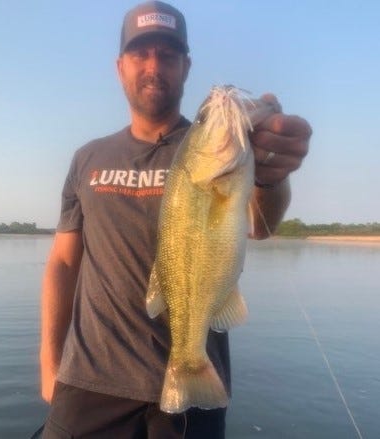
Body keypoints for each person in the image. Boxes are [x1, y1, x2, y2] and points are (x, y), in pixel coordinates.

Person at [40, 1, 311, 438]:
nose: (153, 65)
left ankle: (188, 364)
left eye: (167, 55)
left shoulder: (223, 145)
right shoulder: (86, 158)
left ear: (186, 66)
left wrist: (272, 172)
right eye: (140, 53)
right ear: (119, 66)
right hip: (87, 385)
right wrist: (49, 362)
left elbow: (261, 225)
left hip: (192, 387)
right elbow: (63, 263)